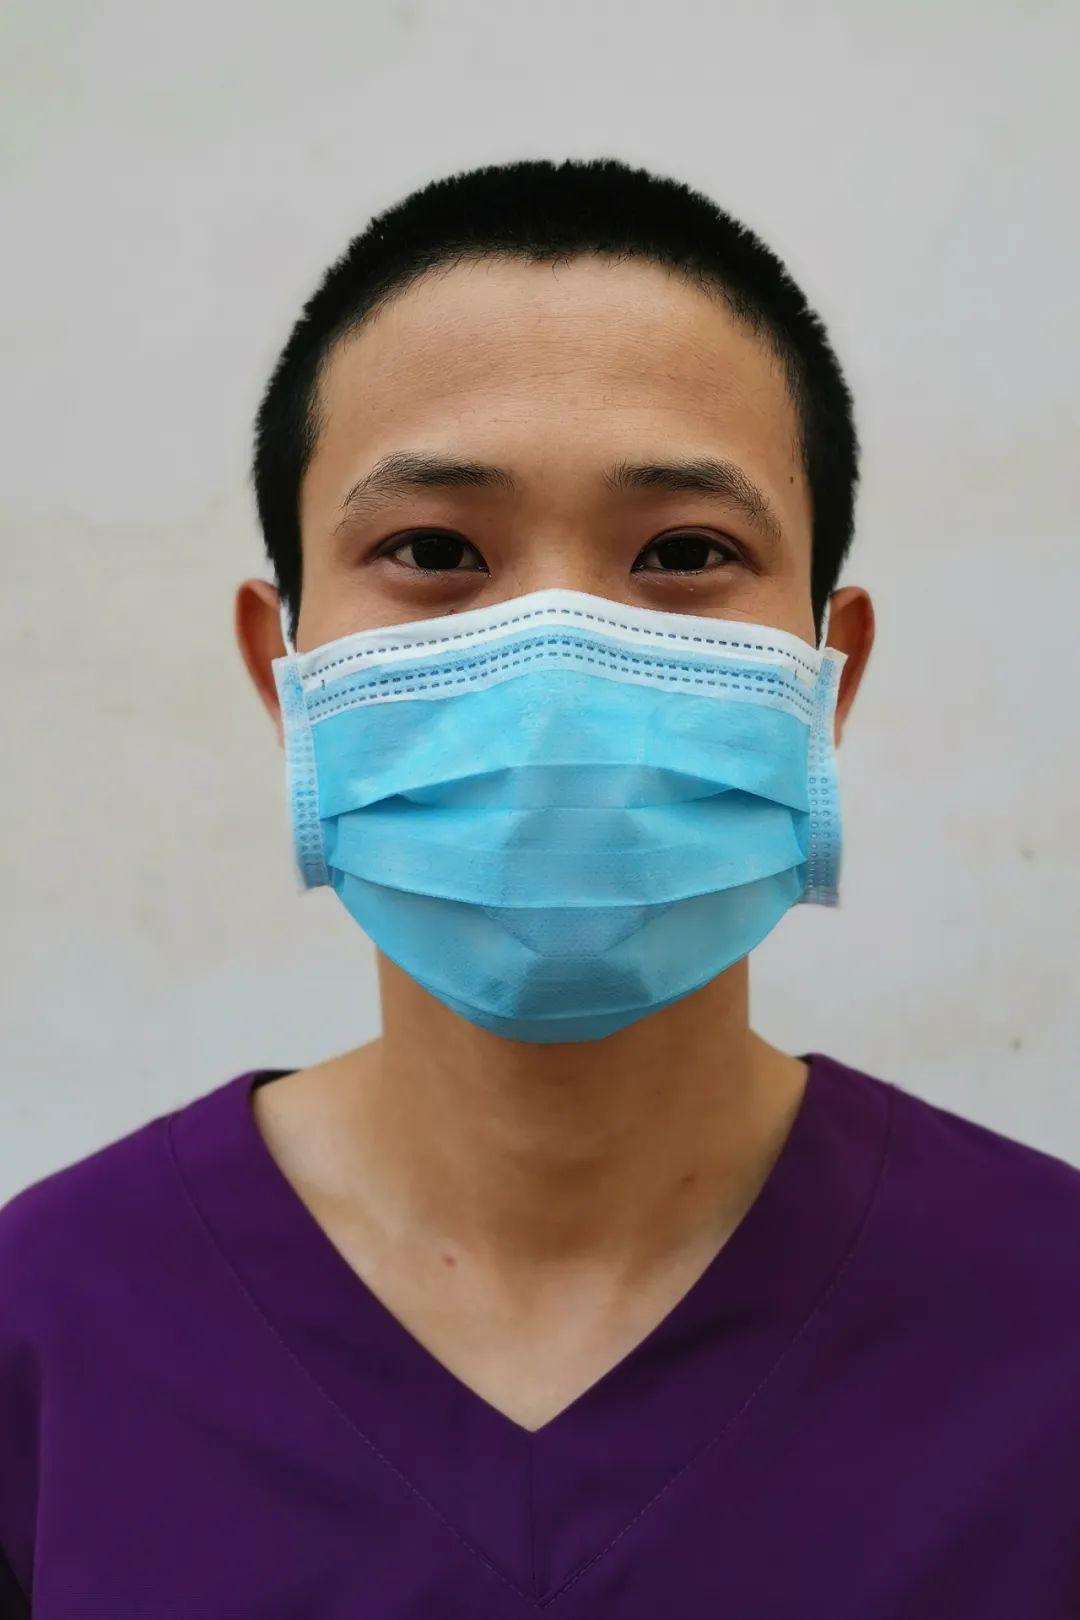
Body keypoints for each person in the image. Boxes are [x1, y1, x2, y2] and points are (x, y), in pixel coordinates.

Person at [1, 156, 1078, 1619]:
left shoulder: (1051, 1318)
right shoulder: (52, 1331)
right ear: (284, 674)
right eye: (433, 551)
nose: (555, 666)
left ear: (827, 682)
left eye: (685, 552)